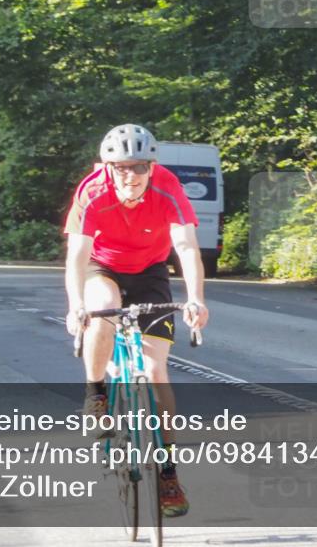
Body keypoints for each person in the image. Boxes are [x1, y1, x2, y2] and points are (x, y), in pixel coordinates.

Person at [63, 123, 209, 518]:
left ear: (152, 166)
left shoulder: (168, 187)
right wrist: (76, 304)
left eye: (140, 167)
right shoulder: (92, 190)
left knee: (155, 369)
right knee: (101, 311)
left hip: (150, 273)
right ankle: (96, 395)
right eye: (122, 167)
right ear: (107, 167)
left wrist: (195, 299)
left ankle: (167, 473)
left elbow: (186, 247)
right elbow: (77, 255)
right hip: (102, 268)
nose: (131, 175)